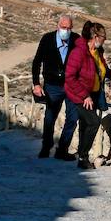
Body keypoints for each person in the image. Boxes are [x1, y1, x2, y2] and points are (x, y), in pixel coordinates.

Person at [62, 21, 111, 170]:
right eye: (103, 38)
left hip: (91, 94)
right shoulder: (79, 52)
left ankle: (82, 156)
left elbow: (101, 68)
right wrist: (84, 95)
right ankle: (83, 157)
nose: (105, 41)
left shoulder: (97, 52)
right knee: (93, 122)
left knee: (86, 124)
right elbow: (70, 76)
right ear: (95, 37)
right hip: (78, 94)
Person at [31, 14, 75, 159]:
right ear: (58, 26)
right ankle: (46, 146)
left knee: (73, 118)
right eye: (63, 27)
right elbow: (37, 61)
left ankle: (62, 149)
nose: (66, 31)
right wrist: (36, 84)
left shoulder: (76, 40)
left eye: (69, 28)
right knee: (50, 118)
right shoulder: (47, 39)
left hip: (71, 86)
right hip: (52, 86)